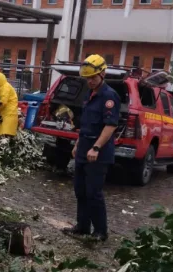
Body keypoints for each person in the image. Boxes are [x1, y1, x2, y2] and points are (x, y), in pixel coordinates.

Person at [63, 54, 120, 242]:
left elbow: (110, 125)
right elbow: (86, 124)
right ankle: (83, 226)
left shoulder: (109, 96)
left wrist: (95, 147)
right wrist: (78, 144)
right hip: (83, 148)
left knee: (93, 192)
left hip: (98, 153)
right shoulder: (89, 94)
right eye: (87, 78)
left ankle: (101, 231)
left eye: (93, 77)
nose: (90, 81)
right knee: (80, 190)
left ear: (103, 74)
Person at [0, 72, 18, 137]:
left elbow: (3, 102)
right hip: (6, 114)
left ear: (0, 80)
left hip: (8, 114)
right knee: (3, 135)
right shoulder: (2, 88)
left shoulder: (5, 88)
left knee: (5, 135)